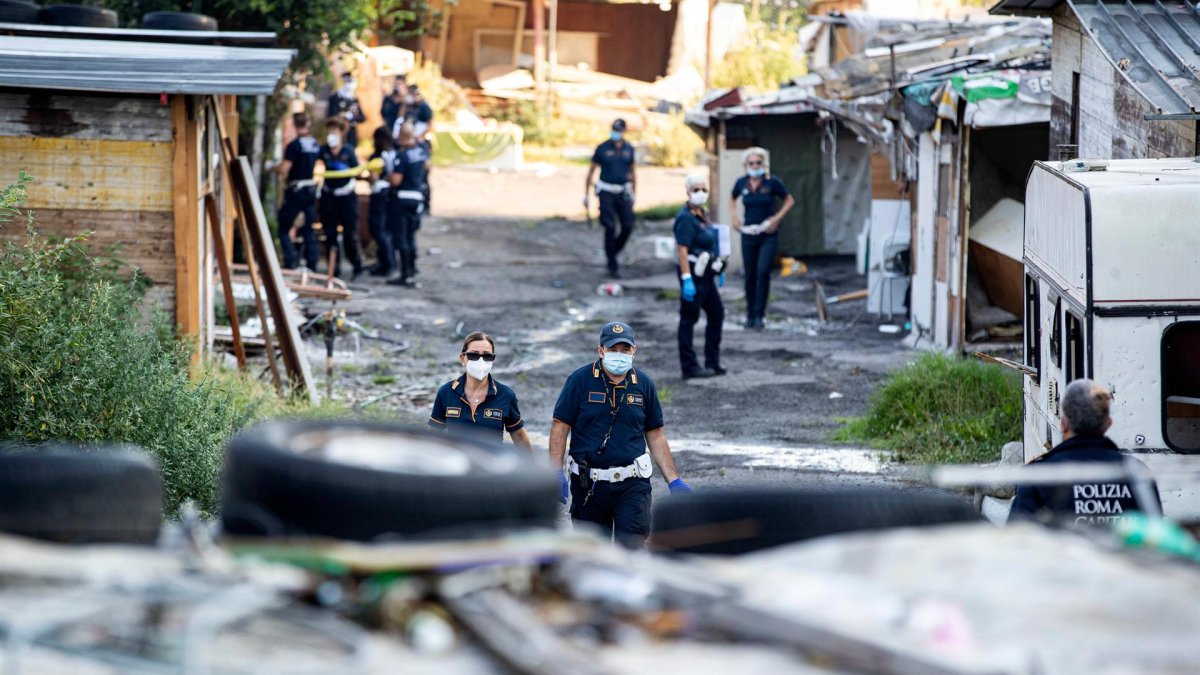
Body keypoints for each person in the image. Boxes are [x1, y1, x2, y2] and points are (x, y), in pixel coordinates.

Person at [550, 322, 692, 548]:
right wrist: (555, 472)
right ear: (601, 351)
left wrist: (674, 480)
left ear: (634, 351)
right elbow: (560, 426)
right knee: (594, 553)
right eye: (613, 349)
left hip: (633, 484)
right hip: (589, 486)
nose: (619, 355)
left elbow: (655, 433)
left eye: (625, 350)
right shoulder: (580, 380)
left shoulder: (644, 384)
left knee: (631, 550)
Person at [1010, 379, 1161, 525]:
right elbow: (1156, 533)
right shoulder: (1136, 472)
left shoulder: (1037, 476)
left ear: (1063, 424)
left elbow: (1018, 536)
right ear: (1108, 424)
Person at [429, 331, 533, 451]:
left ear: (493, 360)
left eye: (487, 356)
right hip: (457, 461)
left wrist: (530, 462)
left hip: (490, 462)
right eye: (473, 355)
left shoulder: (505, 395)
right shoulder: (446, 392)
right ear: (463, 358)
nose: (481, 361)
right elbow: (432, 435)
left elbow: (520, 438)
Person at [728, 147, 795, 330]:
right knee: (749, 274)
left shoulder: (772, 182)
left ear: (763, 164)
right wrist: (734, 217)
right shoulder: (741, 183)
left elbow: (789, 200)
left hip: (768, 233)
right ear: (746, 165)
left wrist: (777, 218)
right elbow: (731, 199)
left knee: (763, 271)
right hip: (748, 232)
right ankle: (750, 314)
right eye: (752, 163)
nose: (755, 166)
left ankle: (760, 314)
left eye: (758, 162)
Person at [674, 175, 725, 380]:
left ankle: (712, 362)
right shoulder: (685, 218)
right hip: (693, 273)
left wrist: (719, 268)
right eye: (695, 189)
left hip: (707, 274)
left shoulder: (702, 213)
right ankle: (689, 366)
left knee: (717, 313)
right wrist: (686, 278)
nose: (700, 193)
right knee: (689, 318)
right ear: (688, 191)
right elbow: (682, 250)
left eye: (704, 189)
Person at [584, 119, 637, 278]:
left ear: (624, 131)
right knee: (610, 227)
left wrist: (634, 193)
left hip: (623, 191)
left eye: (618, 130)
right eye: (614, 129)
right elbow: (591, 171)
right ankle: (612, 264)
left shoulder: (629, 149)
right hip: (606, 191)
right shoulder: (602, 148)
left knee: (628, 225)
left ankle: (613, 250)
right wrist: (586, 195)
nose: (616, 133)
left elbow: (633, 171)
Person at [317, 117, 365, 280]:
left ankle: (357, 266)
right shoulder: (323, 151)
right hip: (329, 196)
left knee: (350, 234)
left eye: (335, 131)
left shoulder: (348, 151)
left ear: (342, 133)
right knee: (330, 233)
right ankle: (333, 269)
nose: (331, 134)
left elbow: (358, 172)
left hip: (346, 196)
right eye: (330, 130)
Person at [274, 112, 321, 270]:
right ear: (308, 124)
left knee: (283, 227)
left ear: (294, 124)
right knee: (308, 229)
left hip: (296, 190)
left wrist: (273, 167)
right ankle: (312, 263)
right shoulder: (314, 144)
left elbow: (284, 169)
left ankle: (290, 260)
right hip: (310, 189)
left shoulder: (294, 145)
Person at [387, 123, 430, 287]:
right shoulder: (420, 152)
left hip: (402, 198)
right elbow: (427, 167)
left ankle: (405, 274)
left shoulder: (402, 155)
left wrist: (387, 177)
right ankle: (412, 269)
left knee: (401, 237)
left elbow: (396, 180)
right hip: (417, 197)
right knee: (411, 236)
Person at [366, 126, 397, 277]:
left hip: (380, 194)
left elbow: (373, 177)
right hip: (391, 195)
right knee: (386, 230)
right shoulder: (395, 153)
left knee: (378, 229)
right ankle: (385, 261)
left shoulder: (378, 157)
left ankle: (388, 263)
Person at [327, 72, 366, 149]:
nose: (351, 84)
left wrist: (350, 116)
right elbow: (331, 114)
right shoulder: (335, 97)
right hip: (337, 131)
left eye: (352, 81)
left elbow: (362, 117)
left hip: (351, 133)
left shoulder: (354, 99)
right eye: (348, 81)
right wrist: (341, 117)